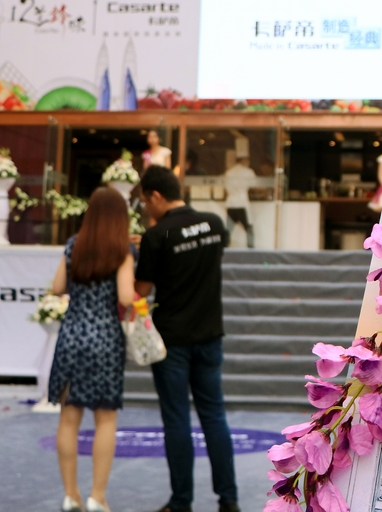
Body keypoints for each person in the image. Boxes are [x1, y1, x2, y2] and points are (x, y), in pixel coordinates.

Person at [135, 166, 239, 512]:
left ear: (155, 196)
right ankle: (229, 499)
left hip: (172, 340)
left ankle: (181, 501)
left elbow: (141, 290)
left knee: (176, 419)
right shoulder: (214, 223)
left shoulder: (156, 235)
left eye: (145, 202)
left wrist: (145, 250)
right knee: (214, 416)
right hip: (209, 333)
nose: (145, 209)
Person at [48, 186, 137, 512]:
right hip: (105, 340)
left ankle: (70, 495)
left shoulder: (74, 245)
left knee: (68, 419)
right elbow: (125, 296)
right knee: (105, 420)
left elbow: (57, 287)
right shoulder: (121, 250)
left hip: (71, 336)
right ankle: (97, 496)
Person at [223, 155, 256, 248]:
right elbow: (254, 186)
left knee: (228, 230)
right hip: (242, 203)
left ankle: (224, 249)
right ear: (244, 160)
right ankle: (251, 251)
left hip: (231, 204)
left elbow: (225, 188)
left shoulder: (229, 172)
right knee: (249, 228)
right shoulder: (248, 172)